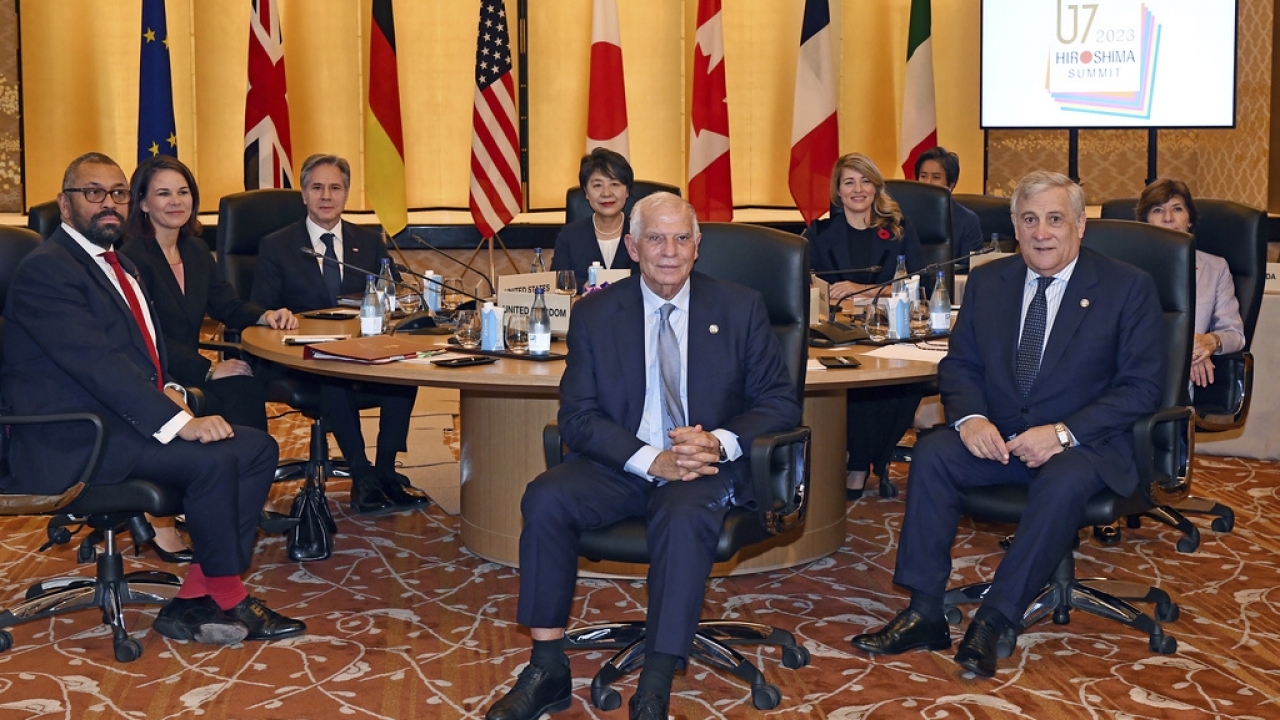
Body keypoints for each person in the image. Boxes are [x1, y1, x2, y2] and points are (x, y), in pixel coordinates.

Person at [485, 193, 802, 720]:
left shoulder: (740, 307)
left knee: (682, 514)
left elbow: (779, 402)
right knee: (544, 498)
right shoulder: (595, 314)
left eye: (682, 238)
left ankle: (656, 679)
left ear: (698, 246)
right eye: (656, 238)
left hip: (706, 469)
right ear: (632, 247)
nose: (670, 251)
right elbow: (578, 417)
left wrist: (718, 442)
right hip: (627, 464)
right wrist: (648, 460)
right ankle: (547, 669)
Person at [849, 170, 1164, 678]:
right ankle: (925, 610)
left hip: (1085, 446)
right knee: (932, 454)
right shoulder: (990, 282)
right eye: (1030, 220)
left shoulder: (1128, 287)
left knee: (1062, 481)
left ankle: (995, 619)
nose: (1042, 232)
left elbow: (1142, 388)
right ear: (1015, 227)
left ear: (1081, 225)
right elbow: (960, 365)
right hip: (1001, 439)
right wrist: (971, 419)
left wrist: (1061, 433)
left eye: (1055, 219)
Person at [1, 152, 306, 644]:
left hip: (114, 421)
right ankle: (229, 599)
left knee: (255, 449)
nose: (109, 203)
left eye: (118, 193)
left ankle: (191, 600)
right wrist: (178, 420)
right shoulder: (48, 271)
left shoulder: (116, 264)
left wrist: (171, 390)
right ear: (65, 203)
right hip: (71, 437)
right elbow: (95, 362)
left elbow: (140, 354)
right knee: (210, 462)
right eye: (93, 192)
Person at [119, 156, 300, 558]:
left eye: (183, 192)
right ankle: (160, 521)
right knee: (224, 386)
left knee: (245, 386)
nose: (175, 201)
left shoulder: (196, 249)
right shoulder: (131, 257)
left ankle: (250, 495)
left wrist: (266, 315)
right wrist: (207, 368)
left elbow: (227, 305)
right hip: (150, 375)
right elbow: (149, 337)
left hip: (186, 370)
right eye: (163, 193)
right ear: (143, 203)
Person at [252, 153, 429, 516]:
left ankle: (386, 471)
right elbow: (260, 307)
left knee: (402, 370)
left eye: (335, 188)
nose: (326, 196)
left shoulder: (369, 242)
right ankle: (361, 474)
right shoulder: (278, 245)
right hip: (301, 360)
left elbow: (391, 296)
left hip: (362, 349)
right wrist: (275, 315)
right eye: (317, 187)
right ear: (303, 194)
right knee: (333, 375)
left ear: (346, 195)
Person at [805, 152, 925, 498]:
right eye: (849, 182)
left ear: (876, 187)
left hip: (890, 330)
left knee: (901, 383)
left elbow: (918, 284)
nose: (858, 189)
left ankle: (869, 459)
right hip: (836, 334)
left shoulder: (899, 230)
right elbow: (804, 281)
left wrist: (863, 289)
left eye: (865, 181)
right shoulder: (819, 232)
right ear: (838, 192)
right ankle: (857, 461)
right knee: (851, 383)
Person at [1137, 178, 1244, 388]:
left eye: (1177, 209)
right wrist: (1185, 348)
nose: (1168, 218)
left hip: (1182, 383)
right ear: (1144, 222)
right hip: (1135, 372)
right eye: (1157, 210)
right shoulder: (1126, 265)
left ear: (1190, 220)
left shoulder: (1215, 268)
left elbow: (1235, 335)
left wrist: (1208, 343)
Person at [550, 148, 635, 289]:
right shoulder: (569, 236)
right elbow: (558, 282)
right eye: (597, 185)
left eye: (614, 184)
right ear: (586, 192)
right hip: (584, 308)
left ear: (627, 191)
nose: (606, 193)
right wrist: (585, 286)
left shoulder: (642, 233)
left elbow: (652, 278)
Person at [914, 146, 985, 270]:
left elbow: (969, 269)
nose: (927, 183)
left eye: (936, 177)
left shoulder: (967, 221)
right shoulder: (905, 215)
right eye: (923, 176)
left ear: (951, 184)